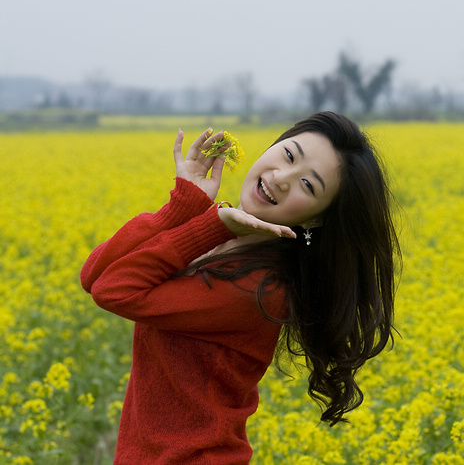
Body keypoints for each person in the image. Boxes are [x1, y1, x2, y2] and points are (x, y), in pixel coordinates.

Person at [81, 111, 400, 464]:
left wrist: (208, 227)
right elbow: (93, 275)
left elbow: (113, 290)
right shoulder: (220, 233)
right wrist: (183, 207)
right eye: (289, 155)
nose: (282, 178)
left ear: (316, 219)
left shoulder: (262, 289)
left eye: (308, 185)